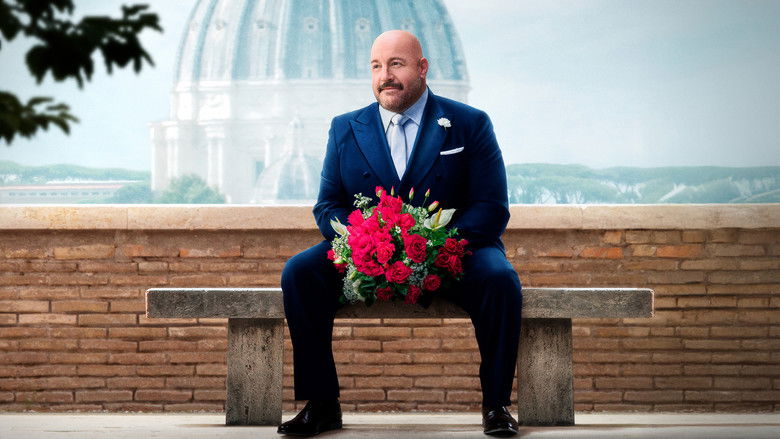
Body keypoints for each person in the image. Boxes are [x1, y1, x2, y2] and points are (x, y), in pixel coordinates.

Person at [278, 30, 523, 437]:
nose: (385, 76)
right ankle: (321, 404)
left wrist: (432, 244)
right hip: (366, 250)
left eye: (396, 64)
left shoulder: (470, 123)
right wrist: (365, 241)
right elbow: (327, 205)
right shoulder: (344, 127)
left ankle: (496, 405)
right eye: (376, 66)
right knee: (300, 273)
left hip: (455, 248)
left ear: (422, 68)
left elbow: (491, 207)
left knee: (500, 280)